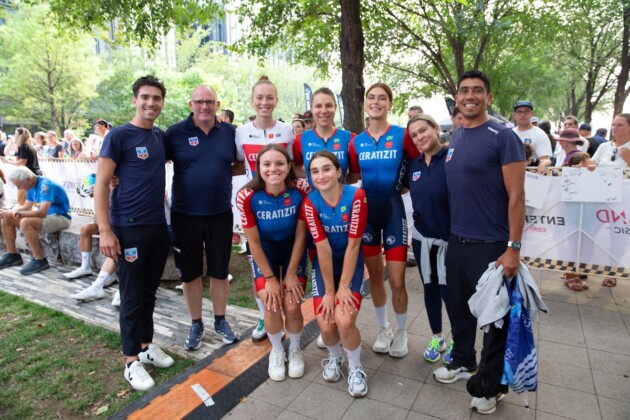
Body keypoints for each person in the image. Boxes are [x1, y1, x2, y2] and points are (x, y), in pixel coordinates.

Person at [433, 70, 525, 415]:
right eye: (464, 91)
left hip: (492, 245)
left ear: (488, 97)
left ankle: (491, 387)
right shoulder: (457, 136)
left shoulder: (503, 137)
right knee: (459, 308)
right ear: (457, 97)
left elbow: (517, 197)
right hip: (458, 241)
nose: (470, 96)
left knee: (494, 321)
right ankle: (462, 360)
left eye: (477, 90)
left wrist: (513, 248)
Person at [95, 75, 174, 391]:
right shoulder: (118, 135)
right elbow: (102, 183)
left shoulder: (159, 136)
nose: (151, 103)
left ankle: (146, 346)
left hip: (157, 227)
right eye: (145, 97)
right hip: (128, 228)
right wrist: (105, 231)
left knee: (148, 293)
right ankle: (131, 361)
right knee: (130, 295)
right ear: (135, 100)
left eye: (156, 98)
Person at [165, 85, 241, 350]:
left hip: (220, 214)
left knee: (220, 272)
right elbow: (152, 162)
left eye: (209, 101)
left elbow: (241, 163)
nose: (204, 106)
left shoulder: (230, 132)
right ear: (191, 104)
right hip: (185, 215)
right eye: (199, 102)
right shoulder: (175, 133)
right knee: (190, 274)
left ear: (217, 104)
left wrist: (218, 172)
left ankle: (220, 320)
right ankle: (196, 323)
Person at [348, 82, 420, 358]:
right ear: (366, 103)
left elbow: (416, 167)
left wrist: (403, 187)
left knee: (397, 279)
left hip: (393, 210)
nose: (376, 102)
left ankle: (402, 332)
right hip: (368, 213)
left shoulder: (402, 135)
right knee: (375, 275)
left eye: (382, 98)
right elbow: (354, 175)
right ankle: (383, 328)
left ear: (390, 104)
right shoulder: (357, 141)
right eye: (371, 98)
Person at [236, 144, 307, 381]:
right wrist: (270, 278)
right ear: (258, 168)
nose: (273, 169)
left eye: (279, 163)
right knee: (272, 303)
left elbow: (301, 236)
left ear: (288, 167)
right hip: (264, 254)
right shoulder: (247, 196)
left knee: (293, 306)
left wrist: (290, 273)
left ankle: (295, 349)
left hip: (292, 252)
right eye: (266, 164)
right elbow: (254, 242)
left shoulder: (300, 190)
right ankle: (277, 350)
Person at [302, 150, 369, 398]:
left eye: (327, 169)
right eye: (315, 171)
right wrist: (330, 292)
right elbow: (323, 249)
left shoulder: (356, 196)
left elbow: (354, 245)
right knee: (326, 323)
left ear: (339, 171)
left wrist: (343, 287)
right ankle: (334, 357)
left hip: (352, 262)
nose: (321, 175)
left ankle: (356, 367)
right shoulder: (310, 202)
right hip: (325, 264)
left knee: (345, 321)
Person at [235, 76, 295, 342]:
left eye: (269, 97)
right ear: (252, 100)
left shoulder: (287, 131)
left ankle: (286, 312)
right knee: (256, 263)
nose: (264, 102)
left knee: (284, 256)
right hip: (254, 207)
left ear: (276, 100)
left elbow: (293, 166)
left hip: (282, 204)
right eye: (259, 97)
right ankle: (264, 315)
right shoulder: (240, 132)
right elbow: (239, 163)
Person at [403, 114, 454, 364]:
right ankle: (437, 336)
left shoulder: (453, 157)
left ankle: (459, 340)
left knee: (450, 292)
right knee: (430, 288)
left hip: (450, 241)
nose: (419, 137)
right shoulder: (413, 165)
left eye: (423, 131)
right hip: (422, 240)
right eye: (414, 135)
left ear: (436, 128)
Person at [0, 167, 72, 275]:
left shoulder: (45, 185)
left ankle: (39, 259)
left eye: (19, 185)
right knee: (6, 219)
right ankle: (12, 254)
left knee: (26, 222)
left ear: (28, 179)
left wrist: (15, 214)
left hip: (61, 217)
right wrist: (8, 212)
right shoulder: (31, 185)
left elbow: (42, 213)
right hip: (48, 217)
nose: (19, 188)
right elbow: (26, 207)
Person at [1, 127, 43, 205]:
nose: (14, 135)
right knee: (31, 200)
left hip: (29, 175)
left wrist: (8, 161)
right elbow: (9, 154)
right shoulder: (26, 146)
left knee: (22, 200)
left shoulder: (23, 146)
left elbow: (21, 163)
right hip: (33, 174)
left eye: (16, 134)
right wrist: (11, 143)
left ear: (21, 135)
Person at [511, 100, 552, 173]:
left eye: (526, 111)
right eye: (519, 112)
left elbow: (545, 159)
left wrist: (543, 164)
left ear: (532, 114)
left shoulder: (540, 134)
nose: (522, 114)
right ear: (515, 114)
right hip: (512, 173)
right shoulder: (509, 134)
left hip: (532, 175)